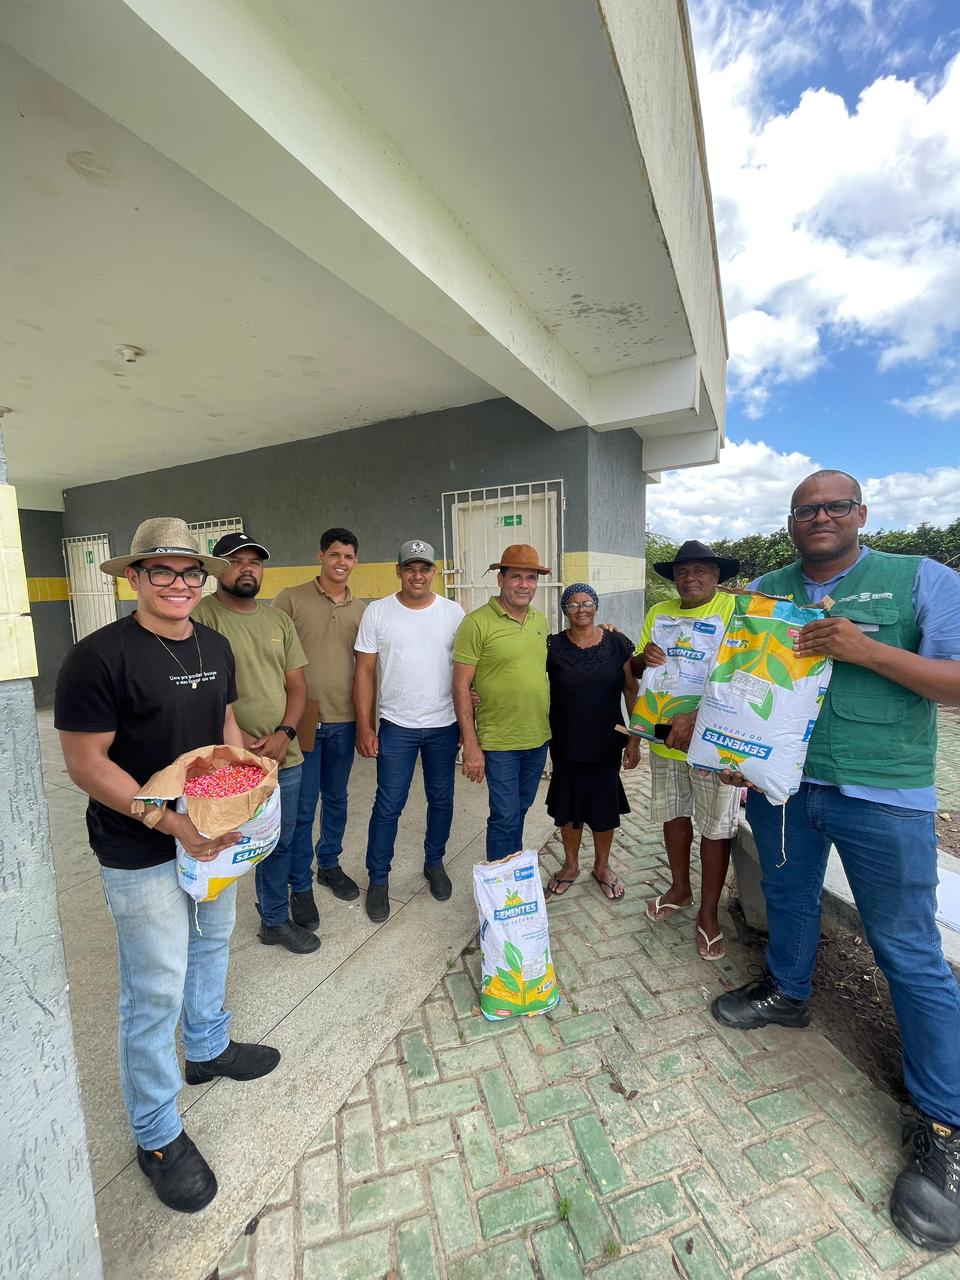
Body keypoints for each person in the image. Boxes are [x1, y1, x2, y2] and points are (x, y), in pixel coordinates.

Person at [706, 470, 960, 1252]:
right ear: (790, 521)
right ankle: (789, 993)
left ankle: (944, 1123)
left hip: (883, 794)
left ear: (860, 515)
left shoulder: (921, 580)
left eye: (834, 506)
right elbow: (739, 680)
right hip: (784, 788)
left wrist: (867, 651)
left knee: (908, 952)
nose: (819, 517)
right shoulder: (767, 590)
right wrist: (728, 746)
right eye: (805, 508)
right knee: (786, 899)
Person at [54, 517, 280, 1214]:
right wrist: (170, 820)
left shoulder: (214, 644)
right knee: (153, 991)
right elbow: (84, 763)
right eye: (162, 572)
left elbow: (225, 729)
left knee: (213, 942)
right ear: (134, 578)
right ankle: (156, 1134)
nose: (179, 584)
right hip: (141, 847)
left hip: (213, 839)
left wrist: (244, 786)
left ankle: (207, 1046)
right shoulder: (99, 658)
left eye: (190, 573)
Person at [193, 532, 316, 955]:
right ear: (216, 569)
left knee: (281, 838)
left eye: (255, 562)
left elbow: (297, 685)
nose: (247, 568)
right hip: (230, 760)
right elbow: (199, 691)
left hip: (286, 755)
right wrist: (240, 743)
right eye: (236, 560)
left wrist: (285, 734)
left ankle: (274, 919)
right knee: (225, 841)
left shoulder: (277, 620)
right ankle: (207, 935)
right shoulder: (201, 617)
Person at [630, 540, 741, 960]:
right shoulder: (660, 614)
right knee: (673, 816)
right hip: (666, 737)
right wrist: (645, 657)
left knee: (716, 827)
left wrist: (698, 715)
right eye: (682, 572)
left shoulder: (733, 611)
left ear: (716, 576)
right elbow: (640, 670)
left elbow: (742, 670)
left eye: (699, 571)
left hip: (716, 742)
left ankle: (708, 914)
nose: (689, 578)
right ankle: (679, 888)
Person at [354, 540, 465, 922]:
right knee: (388, 805)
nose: (418, 575)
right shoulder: (378, 612)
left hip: (444, 724)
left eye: (425, 568)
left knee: (442, 800)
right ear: (398, 571)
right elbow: (365, 672)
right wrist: (365, 726)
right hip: (396, 725)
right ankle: (379, 879)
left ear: (435, 571)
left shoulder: (453, 613)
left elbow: (468, 668)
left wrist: (469, 720)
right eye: (410, 568)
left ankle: (434, 863)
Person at [273, 528, 366, 903]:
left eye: (348, 556)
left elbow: (367, 669)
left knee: (337, 797)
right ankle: (300, 882)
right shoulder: (290, 599)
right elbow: (271, 657)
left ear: (355, 561)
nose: (341, 562)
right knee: (303, 805)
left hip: (344, 719)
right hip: (303, 719)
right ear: (320, 556)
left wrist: (366, 721)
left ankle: (328, 863)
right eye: (334, 555)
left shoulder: (362, 611)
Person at [453, 544, 551, 860]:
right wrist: (471, 745)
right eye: (517, 577)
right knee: (504, 815)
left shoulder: (540, 619)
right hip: (499, 740)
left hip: (537, 737)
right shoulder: (476, 623)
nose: (524, 584)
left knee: (520, 809)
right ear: (501, 580)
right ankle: (500, 889)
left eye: (531, 578)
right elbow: (460, 685)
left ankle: (514, 877)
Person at [543, 582, 639, 902]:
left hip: (607, 740)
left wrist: (635, 738)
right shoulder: (552, 645)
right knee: (569, 805)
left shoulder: (617, 642)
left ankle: (602, 866)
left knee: (602, 804)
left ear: (596, 607)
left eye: (587, 603)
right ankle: (570, 866)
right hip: (567, 740)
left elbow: (630, 690)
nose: (581, 609)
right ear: (564, 610)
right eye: (572, 604)